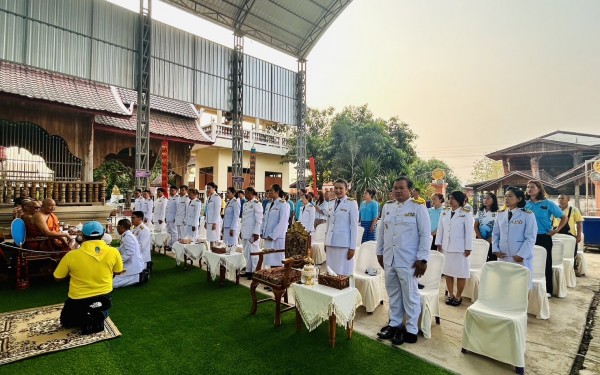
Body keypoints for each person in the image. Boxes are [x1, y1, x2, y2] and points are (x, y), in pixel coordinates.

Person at [376, 177, 431, 345]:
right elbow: (381, 232)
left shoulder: (418, 208)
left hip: (409, 260)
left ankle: (411, 329)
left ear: (410, 190)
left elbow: (425, 235)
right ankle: (395, 324)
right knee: (393, 293)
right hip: (390, 258)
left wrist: (423, 259)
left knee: (410, 295)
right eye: (395, 188)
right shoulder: (387, 207)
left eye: (401, 188)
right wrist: (379, 252)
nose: (398, 191)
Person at [53, 221, 123, 334]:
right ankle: (99, 313)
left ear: (82, 236)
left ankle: (86, 315)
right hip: (104, 295)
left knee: (66, 323)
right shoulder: (113, 251)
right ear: (103, 235)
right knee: (98, 308)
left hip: (78, 299)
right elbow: (118, 271)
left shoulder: (71, 255)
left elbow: (57, 277)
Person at [525, 180, 567, 297]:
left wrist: (556, 230)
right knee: (528, 262)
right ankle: (528, 287)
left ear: (539, 189)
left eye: (532, 187)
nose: (529, 189)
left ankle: (548, 289)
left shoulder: (548, 204)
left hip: (543, 237)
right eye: (528, 187)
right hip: (527, 237)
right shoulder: (524, 204)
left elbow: (563, 217)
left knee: (546, 262)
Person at [435, 190, 474, 307]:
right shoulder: (445, 211)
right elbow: (440, 228)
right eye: (450, 198)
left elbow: (468, 232)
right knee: (448, 272)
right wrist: (438, 243)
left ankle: (458, 296)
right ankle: (451, 294)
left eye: (454, 198)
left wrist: (468, 248)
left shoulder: (466, 212)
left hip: (460, 248)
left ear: (460, 200)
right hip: (446, 247)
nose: (451, 201)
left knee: (461, 273)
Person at [492, 186, 537, 285]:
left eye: (510, 196)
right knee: (504, 283)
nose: (506, 199)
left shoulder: (528, 215)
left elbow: (530, 237)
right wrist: (496, 249)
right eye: (505, 196)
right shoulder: (500, 214)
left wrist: (522, 254)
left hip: (519, 256)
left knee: (521, 284)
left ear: (519, 199)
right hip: (503, 255)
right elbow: (495, 234)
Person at [324, 179, 359, 276]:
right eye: (336, 188)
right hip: (330, 243)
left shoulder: (351, 203)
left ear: (346, 189)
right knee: (331, 272)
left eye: (341, 188)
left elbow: (354, 227)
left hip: (344, 244)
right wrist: (325, 242)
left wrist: (352, 247)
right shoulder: (330, 203)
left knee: (343, 273)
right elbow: (328, 224)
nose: (338, 190)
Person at [261, 184, 290, 273]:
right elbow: (264, 219)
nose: (269, 193)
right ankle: (271, 279)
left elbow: (283, 223)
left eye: (271, 191)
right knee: (269, 259)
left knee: (277, 260)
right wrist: (262, 231)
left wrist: (273, 235)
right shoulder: (269, 204)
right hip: (267, 236)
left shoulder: (283, 205)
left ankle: (277, 281)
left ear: (277, 192)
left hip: (277, 237)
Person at [113, 219, 147, 288]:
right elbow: (121, 248)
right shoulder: (126, 235)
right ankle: (137, 277)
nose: (117, 229)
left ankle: (138, 278)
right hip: (130, 263)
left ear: (122, 227)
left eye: (118, 227)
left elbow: (130, 252)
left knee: (112, 284)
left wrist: (118, 261)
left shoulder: (127, 237)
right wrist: (112, 250)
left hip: (132, 265)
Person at [553, 194, 584, 269]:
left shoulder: (574, 210)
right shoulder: (553, 209)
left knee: (571, 252)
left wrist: (578, 235)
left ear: (568, 199)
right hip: (555, 233)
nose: (560, 200)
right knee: (555, 253)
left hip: (570, 234)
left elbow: (579, 223)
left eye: (562, 198)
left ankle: (572, 267)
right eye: (559, 198)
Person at [241, 187, 263, 279]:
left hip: (252, 233)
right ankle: (248, 271)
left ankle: (255, 272)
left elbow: (259, 220)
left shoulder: (257, 204)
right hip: (245, 232)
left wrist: (256, 233)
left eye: (246, 193)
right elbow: (244, 219)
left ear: (251, 193)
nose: (245, 194)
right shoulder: (245, 204)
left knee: (253, 253)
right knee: (246, 253)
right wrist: (241, 231)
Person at [474, 192, 499, 261]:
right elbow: (476, 226)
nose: (485, 200)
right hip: (480, 239)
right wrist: (480, 238)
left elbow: (498, 229)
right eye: (484, 198)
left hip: (492, 240)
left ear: (493, 200)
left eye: (488, 198)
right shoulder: (480, 211)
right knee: (480, 259)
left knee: (491, 260)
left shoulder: (497, 212)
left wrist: (490, 239)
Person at [205, 182, 223, 246]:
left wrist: (214, 223)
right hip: (209, 221)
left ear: (214, 188)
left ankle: (214, 253)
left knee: (214, 239)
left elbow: (217, 211)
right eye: (207, 188)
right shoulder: (209, 197)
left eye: (209, 188)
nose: (208, 189)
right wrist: (206, 222)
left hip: (214, 222)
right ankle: (211, 253)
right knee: (210, 239)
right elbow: (207, 211)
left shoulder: (217, 197)